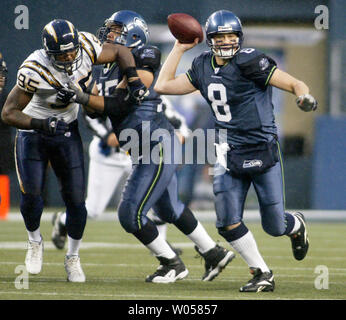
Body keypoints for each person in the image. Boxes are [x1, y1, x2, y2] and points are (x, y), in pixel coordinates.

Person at [58, 10, 235, 284]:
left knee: (130, 214)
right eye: (110, 29)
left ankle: (171, 263)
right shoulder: (104, 66)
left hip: (156, 145)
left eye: (116, 30)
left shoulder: (144, 56)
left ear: (133, 35)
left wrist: (83, 96)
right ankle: (214, 253)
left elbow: (121, 104)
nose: (109, 35)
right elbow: (95, 113)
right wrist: (83, 93)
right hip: (142, 148)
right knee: (169, 209)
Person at [154, 10, 315, 292]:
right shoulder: (203, 65)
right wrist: (179, 47)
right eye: (220, 36)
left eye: (231, 35)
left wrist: (303, 95)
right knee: (227, 222)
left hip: (261, 148)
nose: (227, 41)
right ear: (211, 39)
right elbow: (163, 85)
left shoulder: (251, 60)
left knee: (275, 226)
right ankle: (262, 272)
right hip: (227, 150)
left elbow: (292, 82)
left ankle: (295, 224)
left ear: (239, 37)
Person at [1, 19, 147, 282]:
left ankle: (73, 257)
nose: (69, 57)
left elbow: (121, 51)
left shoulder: (89, 46)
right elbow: (9, 113)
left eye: (71, 51)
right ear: (49, 53)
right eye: (62, 53)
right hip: (34, 131)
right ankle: (34, 241)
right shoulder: (34, 69)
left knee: (77, 202)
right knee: (32, 194)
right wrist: (41, 123)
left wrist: (134, 79)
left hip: (67, 130)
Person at [52, 96, 188, 257]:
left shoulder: (154, 96)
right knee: (94, 209)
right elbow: (106, 133)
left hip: (142, 156)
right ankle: (62, 219)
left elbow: (180, 127)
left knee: (158, 196)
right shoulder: (109, 90)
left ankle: (161, 243)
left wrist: (172, 142)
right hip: (110, 157)